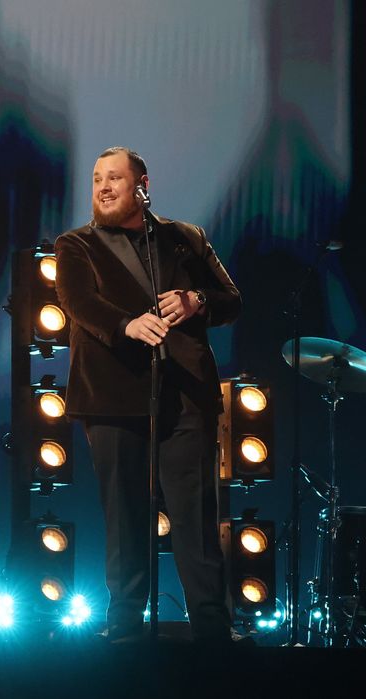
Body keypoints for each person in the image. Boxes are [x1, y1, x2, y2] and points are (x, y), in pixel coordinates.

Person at [55, 146, 242, 643]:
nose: (103, 187)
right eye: (96, 179)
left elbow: (232, 299)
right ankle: (124, 630)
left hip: (185, 398)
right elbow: (76, 302)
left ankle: (212, 629)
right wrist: (126, 325)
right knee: (125, 518)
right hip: (113, 396)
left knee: (197, 519)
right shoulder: (76, 245)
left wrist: (196, 300)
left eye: (114, 177)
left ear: (142, 185)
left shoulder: (186, 239)